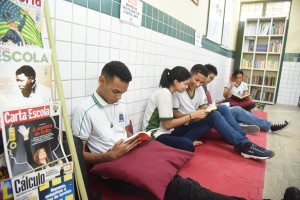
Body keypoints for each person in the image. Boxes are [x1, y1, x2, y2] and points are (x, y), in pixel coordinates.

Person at [72, 61, 245, 200]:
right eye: (115, 91)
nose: (118, 97)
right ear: (102, 81)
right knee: (176, 186)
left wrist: (139, 139)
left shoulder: (121, 103)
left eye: (122, 93)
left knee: (170, 166)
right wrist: (109, 156)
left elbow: (125, 132)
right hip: (113, 167)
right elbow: (78, 156)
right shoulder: (84, 111)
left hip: (131, 153)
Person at [172, 64, 274, 160]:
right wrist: (193, 115)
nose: (198, 84)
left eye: (201, 82)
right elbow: (174, 115)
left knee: (223, 109)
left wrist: (210, 107)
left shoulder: (199, 89)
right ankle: (245, 145)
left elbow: (203, 106)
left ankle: (244, 140)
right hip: (186, 121)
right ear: (190, 73)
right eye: (196, 80)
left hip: (196, 117)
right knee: (215, 115)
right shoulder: (180, 89)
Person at [142, 66, 212, 152]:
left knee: (204, 124)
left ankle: (178, 143)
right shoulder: (164, 94)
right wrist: (191, 116)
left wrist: (189, 117)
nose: (187, 87)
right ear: (176, 82)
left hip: (166, 131)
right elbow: (167, 125)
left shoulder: (168, 93)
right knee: (188, 145)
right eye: (185, 84)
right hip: (154, 135)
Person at [205, 64, 291, 134]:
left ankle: (242, 124)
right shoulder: (201, 87)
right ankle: (241, 125)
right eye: (211, 78)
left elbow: (208, 105)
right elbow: (222, 97)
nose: (211, 81)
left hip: (218, 108)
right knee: (236, 110)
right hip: (216, 109)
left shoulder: (204, 88)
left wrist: (216, 105)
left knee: (238, 109)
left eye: (212, 78)